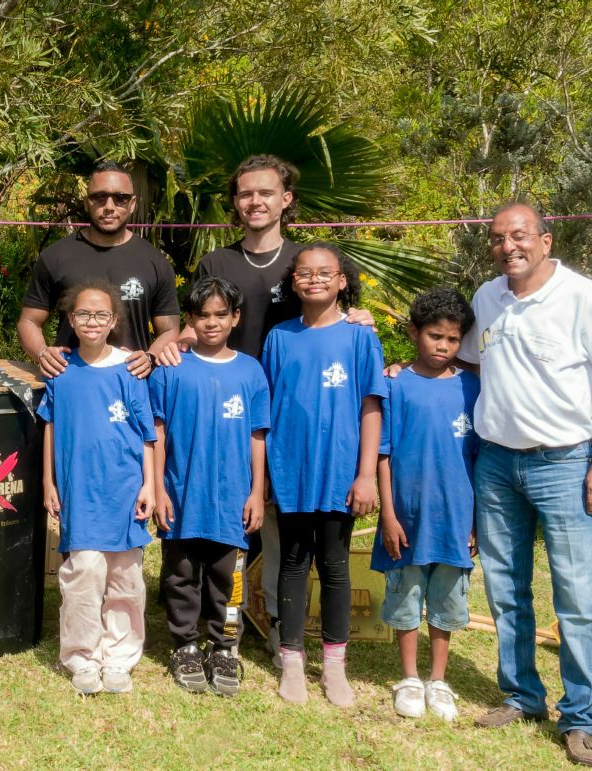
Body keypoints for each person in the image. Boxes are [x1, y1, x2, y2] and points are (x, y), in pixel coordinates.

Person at [151, 154, 374, 665]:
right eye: (245, 194)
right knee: (232, 525)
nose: (255, 202)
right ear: (235, 202)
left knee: (277, 530)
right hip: (223, 409)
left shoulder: (304, 261)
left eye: (266, 193)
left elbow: (332, 315)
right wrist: (172, 341)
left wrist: (360, 318)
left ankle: (276, 625)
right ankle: (209, 620)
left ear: (286, 199)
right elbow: (197, 317)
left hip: (290, 414)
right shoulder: (217, 263)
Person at [464, 204, 592, 767]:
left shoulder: (585, 296)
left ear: (544, 239)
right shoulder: (488, 298)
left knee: (577, 599)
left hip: (566, 464)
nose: (508, 246)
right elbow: (467, 365)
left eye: (519, 235)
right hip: (496, 464)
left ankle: (580, 717)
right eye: (496, 238)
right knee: (506, 590)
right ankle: (522, 696)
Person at [261, 243, 386, 707]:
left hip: (340, 471)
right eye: (304, 272)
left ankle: (334, 667)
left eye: (324, 272)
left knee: (333, 565)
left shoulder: (359, 337)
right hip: (290, 469)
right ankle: (291, 660)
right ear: (293, 282)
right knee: (292, 561)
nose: (313, 279)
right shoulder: (279, 337)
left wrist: (366, 475)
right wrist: (268, 474)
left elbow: (371, 406)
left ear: (341, 281)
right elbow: (268, 409)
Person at [150, 276, 269, 698]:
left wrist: (256, 492)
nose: (212, 323)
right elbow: (158, 432)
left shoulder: (250, 370)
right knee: (181, 574)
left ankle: (225, 647)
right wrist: (160, 489)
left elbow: (258, 434)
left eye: (222, 314)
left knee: (227, 578)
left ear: (235, 318)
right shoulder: (171, 368)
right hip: (181, 493)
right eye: (203, 315)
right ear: (190, 320)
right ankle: (185, 644)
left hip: (233, 498)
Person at [39, 281, 155, 696]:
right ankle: (82, 657)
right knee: (83, 572)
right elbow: (50, 426)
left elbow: (147, 435)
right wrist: (48, 481)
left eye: (100, 315)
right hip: (79, 490)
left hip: (123, 488)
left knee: (125, 577)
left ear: (114, 321)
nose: (92, 322)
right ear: (71, 320)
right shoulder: (61, 370)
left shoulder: (130, 369)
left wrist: (150, 487)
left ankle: (120, 656)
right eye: (83, 314)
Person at [375, 287, 479, 722]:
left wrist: (475, 521)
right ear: (415, 332)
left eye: (453, 340)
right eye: (435, 336)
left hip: (455, 517)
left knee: (447, 602)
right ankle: (410, 678)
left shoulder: (472, 387)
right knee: (406, 597)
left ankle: (438, 680)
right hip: (406, 517)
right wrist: (388, 514)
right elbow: (383, 453)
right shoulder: (395, 384)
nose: (443, 346)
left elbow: (479, 458)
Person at [19, 159, 180, 379]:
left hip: (131, 386)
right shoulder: (56, 256)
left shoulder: (155, 262)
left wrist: (150, 357)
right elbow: (29, 321)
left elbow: (170, 330)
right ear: (87, 202)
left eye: (120, 198)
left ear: (132, 204)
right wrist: (43, 353)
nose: (109, 206)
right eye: (99, 197)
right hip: (69, 382)